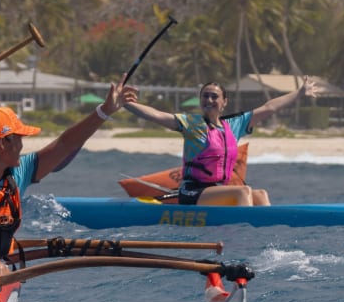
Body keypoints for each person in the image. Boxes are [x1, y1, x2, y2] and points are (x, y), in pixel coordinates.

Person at [0, 76, 128, 280]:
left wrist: (104, 112)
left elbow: (65, 144)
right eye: (19, 139)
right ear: (3, 144)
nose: (22, 146)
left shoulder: (18, 175)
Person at [123, 77, 318, 206]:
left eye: (214, 96)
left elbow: (270, 107)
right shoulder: (192, 124)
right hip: (192, 192)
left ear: (224, 102)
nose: (208, 99)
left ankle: (262, 234)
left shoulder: (235, 125)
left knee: (260, 195)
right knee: (243, 192)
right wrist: (128, 103)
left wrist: (299, 93)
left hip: (218, 190)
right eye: (205, 96)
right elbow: (157, 115)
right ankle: (244, 233)